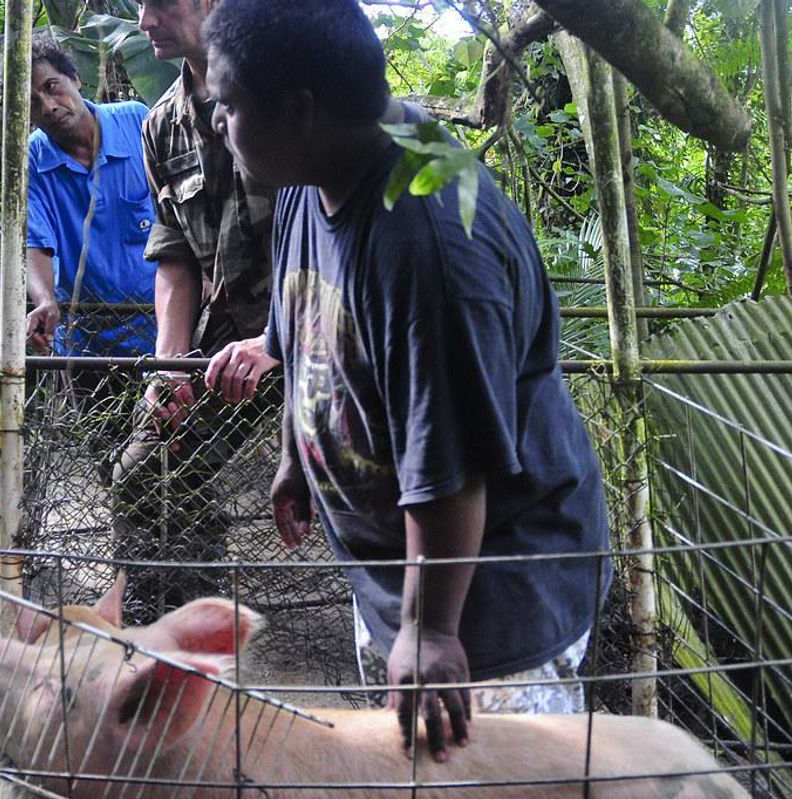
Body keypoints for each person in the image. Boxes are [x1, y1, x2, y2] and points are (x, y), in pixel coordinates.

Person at [203, 0, 612, 763]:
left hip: (487, 613)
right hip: (407, 584)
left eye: (227, 104)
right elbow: (305, 319)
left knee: (484, 780)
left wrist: (430, 633)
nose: (220, 123)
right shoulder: (313, 170)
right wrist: (301, 451)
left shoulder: (429, 244)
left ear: (298, 109)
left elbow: (453, 464)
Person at [109, 0, 280, 620]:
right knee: (143, 472)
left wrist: (280, 339)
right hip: (225, 331)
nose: (145, 19)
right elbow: (175, 256)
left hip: (320, 329)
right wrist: (169, 367)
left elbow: (334, 230)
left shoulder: (284, 92)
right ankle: (183, 623)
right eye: (139, 5)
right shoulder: (162, 124)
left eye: (161, 2)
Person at [24, 35, 157, 360]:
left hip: (162, 328)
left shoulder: (136, 122)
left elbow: (181, 210)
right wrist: (44, 300)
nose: (49, 106)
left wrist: (206, 275)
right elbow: (35, 243)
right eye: (32, 102)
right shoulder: (34, 159)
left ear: (76, 78)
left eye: (52, 87)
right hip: (85, 342)